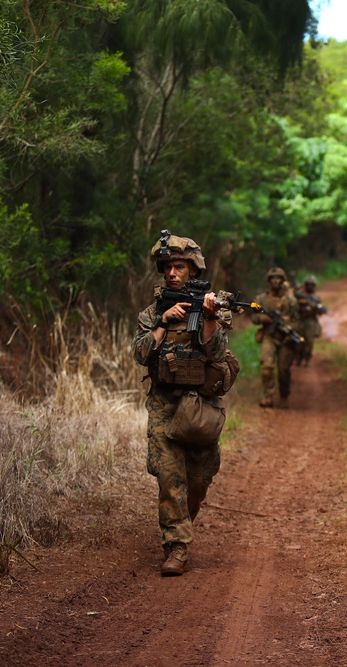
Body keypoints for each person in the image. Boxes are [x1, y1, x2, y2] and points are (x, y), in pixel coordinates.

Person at [131, 232, 228, 576]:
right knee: (170, 479)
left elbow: (217, 354)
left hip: (200, 407)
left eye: (180, 267)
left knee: (198, 480)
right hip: (164, 405)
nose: (172, 273)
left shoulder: (210, 308)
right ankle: (176, 546)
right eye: (168, 267)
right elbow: (141, 354)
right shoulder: (152, 312)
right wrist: (163, 322)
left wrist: (210, 316)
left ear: (193, 270)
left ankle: (180, 524)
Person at [253, 267, 299, 408]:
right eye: (272, 278)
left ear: (283, 281)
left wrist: (289, 328)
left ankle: (284, 395)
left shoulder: (290, 301)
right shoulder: (262, 299)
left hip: (286, 339)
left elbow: (297, 321)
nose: (275, 281)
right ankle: (268, 397)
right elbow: (254, 317)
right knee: (267, 368)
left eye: (278, 278)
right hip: (269, 336)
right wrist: (264, 318)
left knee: (283, 371)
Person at [294, 275, 326, 366]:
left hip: (310, 320)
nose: (310, 287)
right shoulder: (300, 295)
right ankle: (298, 357)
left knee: (309, 341)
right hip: (300, 319)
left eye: (312, 285)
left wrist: (316, 308)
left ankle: (307, 358)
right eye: (308, 284)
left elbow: (320, 311)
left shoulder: (316, 298)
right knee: (299, 340)